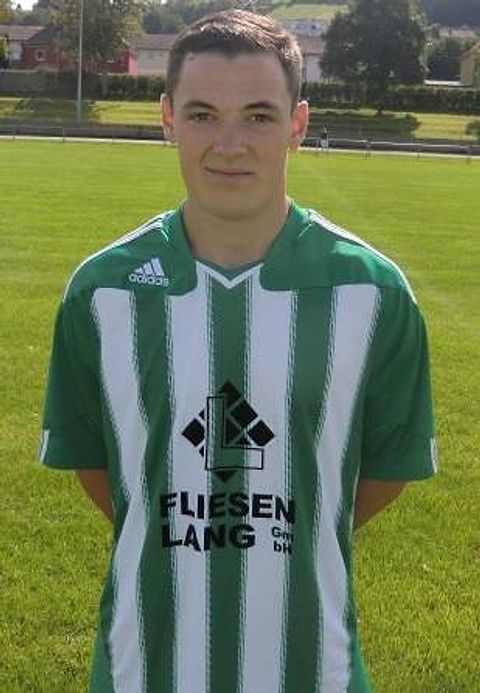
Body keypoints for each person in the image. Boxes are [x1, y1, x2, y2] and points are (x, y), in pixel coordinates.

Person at [39, 9, 437, 693]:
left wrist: (290, 518)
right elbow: (104, 474)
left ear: (297, 124)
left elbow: (380, 477)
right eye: (202, 115)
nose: (229, 144)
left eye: (258, 116)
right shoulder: (101, 292)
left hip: (314, 671)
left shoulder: (374, 293)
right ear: (168, 118)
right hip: (141, 671)